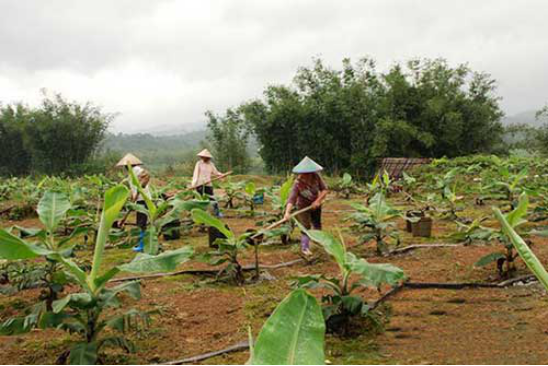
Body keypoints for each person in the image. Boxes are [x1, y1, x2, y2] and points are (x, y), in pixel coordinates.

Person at [284, 157, 329, 256]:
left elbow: (324, 190)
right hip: (303, 207)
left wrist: (317, 201)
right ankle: (305, 248)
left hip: (316, 205)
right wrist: (287, 213)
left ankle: (319, 242)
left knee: (317, 224)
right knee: (305, 226)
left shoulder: (316, 177)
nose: (307, 176)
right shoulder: (298, 184)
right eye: (305, 174)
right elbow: (292, 199)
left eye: (309, 173)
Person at [116, 153, 151, 253]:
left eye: (125, 166)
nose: (125, 168)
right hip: (139, 199)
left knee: (141, 223)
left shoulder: (136, 169)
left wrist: (141, 186)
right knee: (140, 222)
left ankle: (142, 245)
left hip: (143, 199)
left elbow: (147, 174)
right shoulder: (130, 174)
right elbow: (133, 188)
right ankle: (141, 243)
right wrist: (133, 196)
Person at [191, 149, 225, 217]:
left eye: (206, 157)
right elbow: (195, 174)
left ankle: (217, 213)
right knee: (199, 200)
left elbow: (215, 172)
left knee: (212, 199)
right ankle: (198, 214)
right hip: (199, 184)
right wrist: (194, 184)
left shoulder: (211, 164)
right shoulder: (199, 164)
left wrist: (221, 175)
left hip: (208, 184)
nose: (204, 158)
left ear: (208, 158)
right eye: (203, 157)